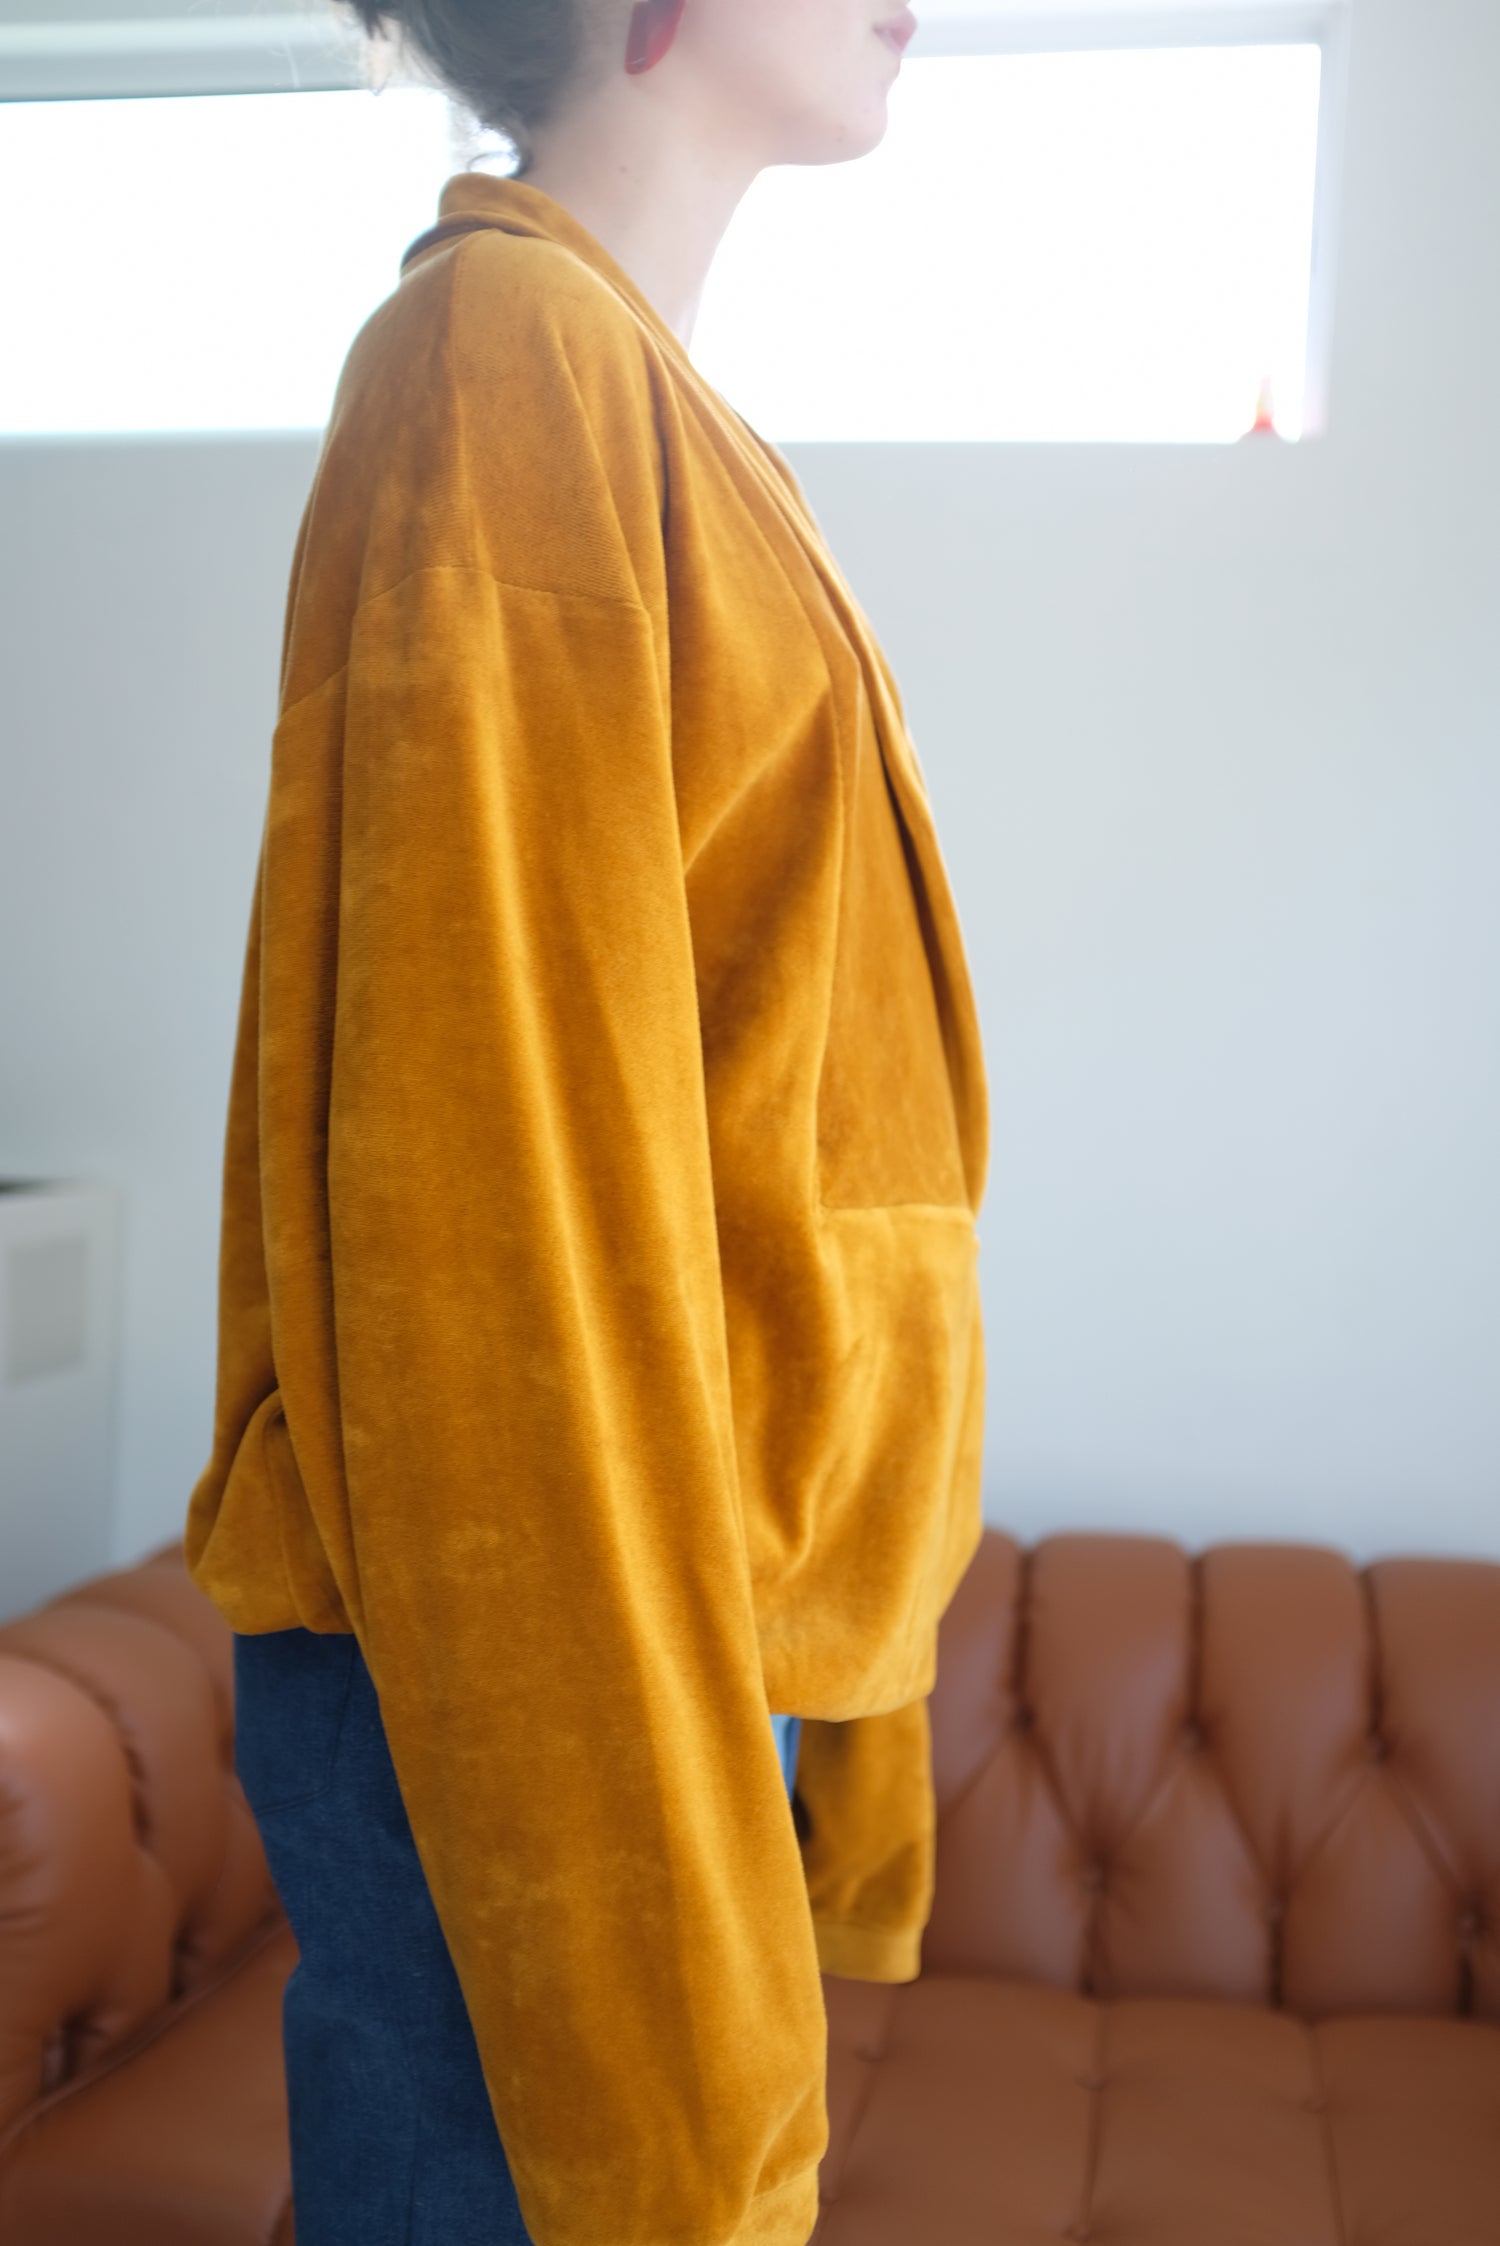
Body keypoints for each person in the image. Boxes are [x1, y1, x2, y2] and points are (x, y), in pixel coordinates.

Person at [183, 1, 989, 2241]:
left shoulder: (623, 387)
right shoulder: (505, 365)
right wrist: (617, 1748)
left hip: (662, 1607)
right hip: (554, 1640)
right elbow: (491, 1183)